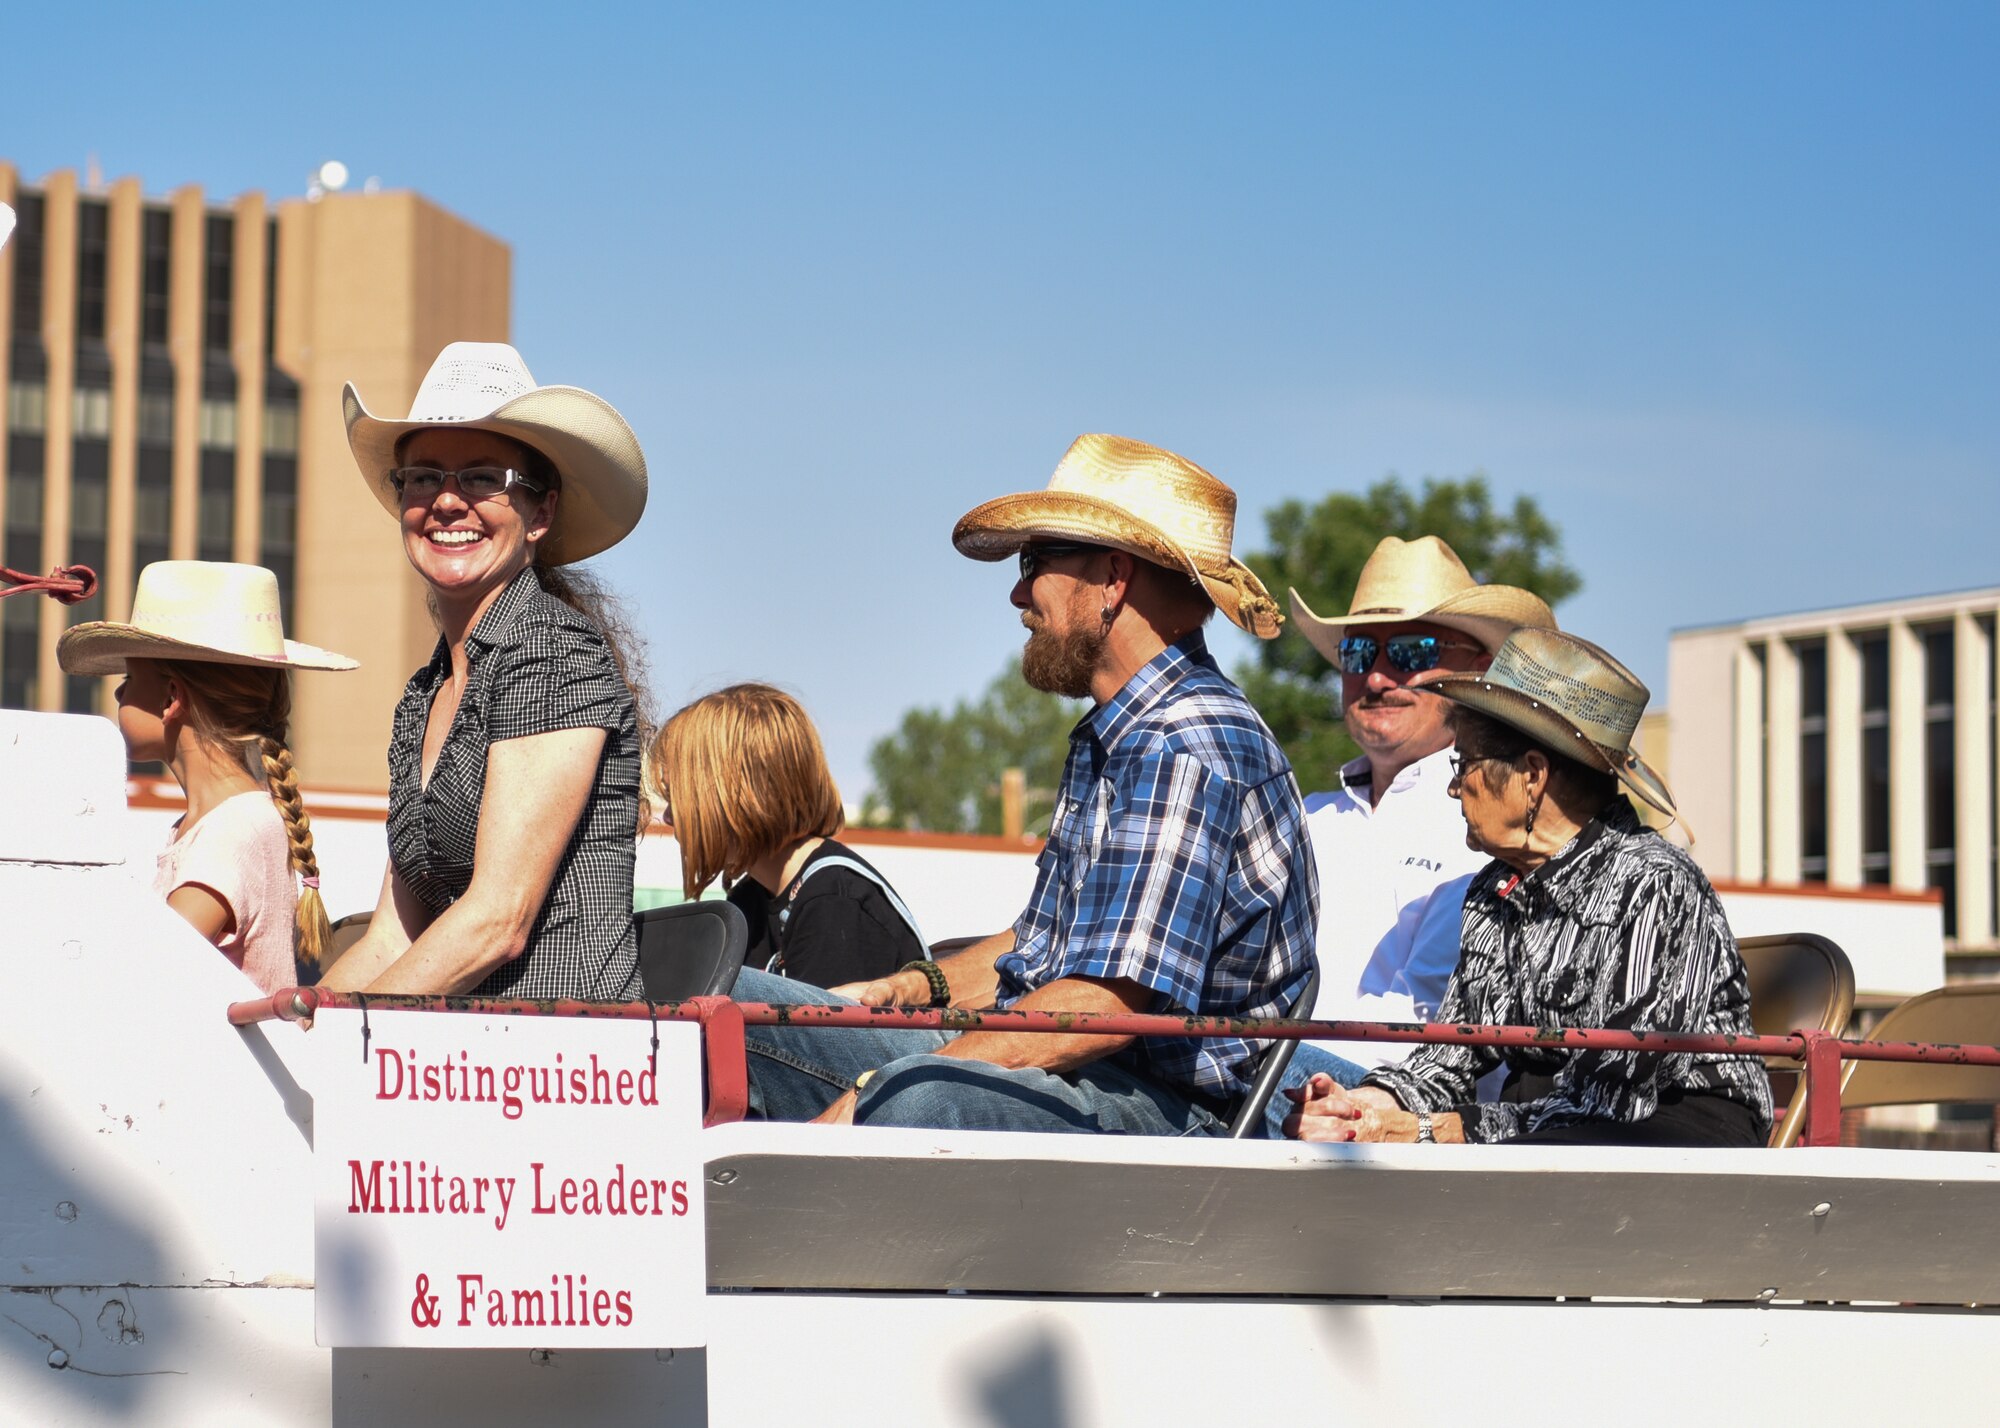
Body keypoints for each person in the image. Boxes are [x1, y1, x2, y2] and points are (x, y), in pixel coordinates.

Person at [734, 433, 1318, 1136]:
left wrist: (885, 1082)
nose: (1017, 592)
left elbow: (1108, 1005)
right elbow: (1045, 945)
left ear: (1112, 577)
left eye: (1034, 561)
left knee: (911, 1099)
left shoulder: (1182, 743)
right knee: (727, 1008)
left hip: (1168, 1105)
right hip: (1090, 1071)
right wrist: (913, 987)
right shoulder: (1123, 732)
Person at [1284, 628, 1774, 1147]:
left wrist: (1432, 1129)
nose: (1454, 787)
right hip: (1543, 1132)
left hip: (1671, 1137)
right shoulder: (1494, 891)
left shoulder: (1655, 884)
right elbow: (1451, 1054)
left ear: (1532, 776)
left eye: (1465, 763)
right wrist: (1365, 1108)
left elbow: (1612, 1101)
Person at [320, 342, 653, 1000]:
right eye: (422, 477)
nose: (446, 501)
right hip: (466, 1061)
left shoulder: (552, 651)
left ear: (541, 514)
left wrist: (334, 1034)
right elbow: (394, 937)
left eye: (480, 478)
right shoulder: (424, 695)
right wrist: (293, 1023)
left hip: (566, 1063)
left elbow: (497, 921)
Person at [1279, 536, 1556, 1104]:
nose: (1377, 679)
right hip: (1291, 1081)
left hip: (1402, 1104)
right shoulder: (1305, 816)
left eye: (1409, 651)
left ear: (1476, 675)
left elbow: (1423, 1036)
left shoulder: (1494, 823)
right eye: (1358, 655)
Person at [57, 561, 357, 995]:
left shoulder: (230, 835)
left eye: (129, 678)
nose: (119, 693)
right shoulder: (227, 823)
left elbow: (141, 974)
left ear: (170, 698)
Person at [649, 682, 926, 988]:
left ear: (742, 793)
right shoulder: (750, 900)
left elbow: (823, 1036)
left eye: (681, 796)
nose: (669, 816)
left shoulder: (834, 903)